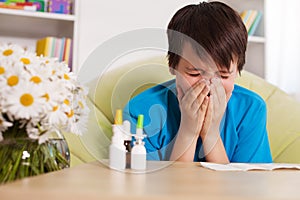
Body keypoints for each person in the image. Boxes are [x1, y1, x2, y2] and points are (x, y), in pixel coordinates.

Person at [123, 1, 272, 163]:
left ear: (237, 71)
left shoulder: (251, 109)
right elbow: (160, 187)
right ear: (173, 66)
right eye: (194, 73)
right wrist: (188, 131)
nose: (209, 86)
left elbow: (244, 185)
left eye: (223, 76)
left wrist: (211, 133)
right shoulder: (140, 111)